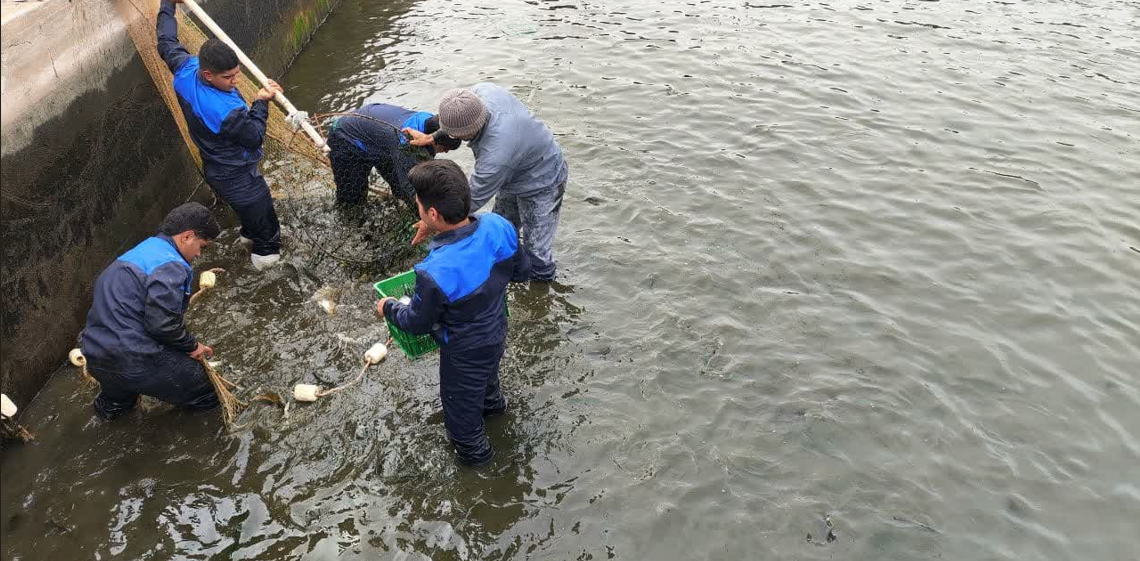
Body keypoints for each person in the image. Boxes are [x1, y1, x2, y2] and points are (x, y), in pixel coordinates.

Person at [376, 160, 523, 466]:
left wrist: (388, 307)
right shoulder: (499, 226)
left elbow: (416, 323)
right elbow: (522, 270)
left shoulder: (433, 272)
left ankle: (484, 480)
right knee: (487, 389)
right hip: (495, 330)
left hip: (464, 351)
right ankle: (497, 416)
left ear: (432, 214)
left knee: (463, 429)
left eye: (419, 205)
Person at [157, 0, 285, 271]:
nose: (235, 82)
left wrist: (167, 5)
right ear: (208, 74)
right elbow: (253, 137)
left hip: (216, 169)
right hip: (238, 176)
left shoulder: (184, 68)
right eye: (228, 78)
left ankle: (247, 239)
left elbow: (166, 40)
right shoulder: (225, 111)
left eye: (236, 74)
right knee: (268, 229)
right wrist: (262, 102)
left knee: (250, 217)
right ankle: (267, 266)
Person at [405, 83, 568, 281]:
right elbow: (460, 120)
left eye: (453, 135)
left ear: (465, 133)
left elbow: (466, 204)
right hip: (513, 173)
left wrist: (431, 221)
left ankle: (539, 295)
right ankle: (509, 276)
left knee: (536, 252)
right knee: (502, 231)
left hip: (544, 180)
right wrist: (433, 138)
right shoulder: (481, 92)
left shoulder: (495, 156)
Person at [80, 203, 221, 420]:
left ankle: (110, 414)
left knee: (116, 407)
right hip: (134, 358)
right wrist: (193, 346)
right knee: (205, 392)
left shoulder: (141, 252)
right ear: (187, 236)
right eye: (201, 246)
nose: (199, 253)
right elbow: (162, 325)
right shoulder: (171, 265)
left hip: (96, 355)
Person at [327, 103, 461, 210]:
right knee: (352, 201)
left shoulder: (429, 120)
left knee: (400, 186)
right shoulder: (407, 141)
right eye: (445, 148)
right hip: (346, 138)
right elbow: (410, 186)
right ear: (433, 140)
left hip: (380, 138)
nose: (446, 152)